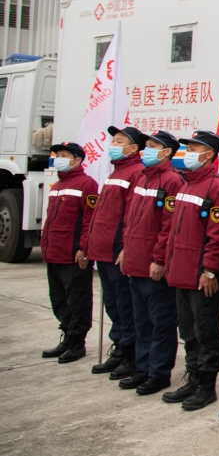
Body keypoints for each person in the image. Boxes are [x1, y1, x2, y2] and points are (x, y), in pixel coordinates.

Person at [160, 130, 219, 411]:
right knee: (188, 331)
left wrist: (211, 270)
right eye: (187, 147)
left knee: (206, 332)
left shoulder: (217, 188)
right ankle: (192, 378)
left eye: (194, 147)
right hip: (180, 271)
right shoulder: (185, 185)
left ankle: (206, 384)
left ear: (209, 154)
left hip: (202, 276)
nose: (188, 152)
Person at [119, 130, 185, 395]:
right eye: (146, 145)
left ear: (167, 152)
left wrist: (159, 259)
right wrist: (125, 249)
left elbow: (169, 228)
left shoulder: (172, 182)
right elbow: (130, 220)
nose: (146, 150)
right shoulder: (142, 179)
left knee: (161, 322)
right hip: (135, 262)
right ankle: (143, 367)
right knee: (141, 321)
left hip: (153, 267)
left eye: (153, 146)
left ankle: (158, 372)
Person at [85, 126, 146, 379]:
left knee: (125, 305)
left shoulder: (136, 173)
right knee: (113, 305)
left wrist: (124, 248)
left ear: (133, 148)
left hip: (117, 251)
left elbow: (132, 217)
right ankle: (119, 347)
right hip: (103, 251)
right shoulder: (115, 172)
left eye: (120, 141)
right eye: (114, 141)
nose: (114, 144)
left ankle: (129, 355)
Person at [40, 141, 98, 364]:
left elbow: (89, 220)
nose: (59, 158)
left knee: (78, 299)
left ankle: (77, 342)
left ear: (77, 160)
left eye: (64, 155)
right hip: (54, 251)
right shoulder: (57, 186)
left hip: (72, 254)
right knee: (59, 298)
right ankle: (66, 335)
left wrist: (84, 248)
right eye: (58, 154)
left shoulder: (87, 184)